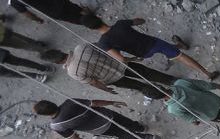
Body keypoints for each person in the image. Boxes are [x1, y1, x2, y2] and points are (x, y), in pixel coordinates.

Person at [92, 17, 219, 80]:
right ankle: (207, 74)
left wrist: (134, 59)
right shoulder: (119, 24)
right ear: (100, 18)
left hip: (143, 53)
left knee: (171, 50)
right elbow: (140, 21)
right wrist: (136, 21)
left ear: (93, 28)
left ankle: (180, 45)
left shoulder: (103, 43)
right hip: (152, 43)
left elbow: (122, 59)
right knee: (179, 56)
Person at [43, 44, 178, 99]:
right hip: (122, 64)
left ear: (56, 62)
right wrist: (127, 58)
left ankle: (166, 95)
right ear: (60, 51)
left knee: (140, 86)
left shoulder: (73, 72)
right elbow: (106, 48)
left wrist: (107, 90)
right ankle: (174, 81)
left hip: (114, 79)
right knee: (147, 73)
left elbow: (94, 82)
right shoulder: (81, 47)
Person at [33, 98, 155, 139]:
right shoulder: (69, 102)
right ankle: (141, 127)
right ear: (52, 103)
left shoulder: (56, 126)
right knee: (125, 122)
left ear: (46, 115)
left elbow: (72, 136)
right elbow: (94, 103)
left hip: (101, 129)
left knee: (122, 134)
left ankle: (148, 138)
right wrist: (112, 102)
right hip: (107, 115)